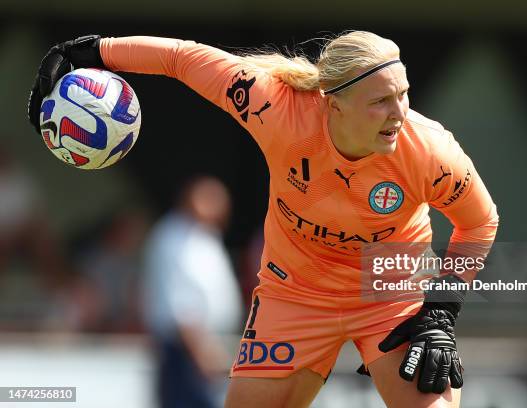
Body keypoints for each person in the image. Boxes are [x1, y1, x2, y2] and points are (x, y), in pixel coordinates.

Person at [27, 31, 499, 408]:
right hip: (295, 294)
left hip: (390, 291)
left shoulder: (431, 151)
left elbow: (479, 223)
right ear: (333, 104)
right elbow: (183, 59)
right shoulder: (274, 106)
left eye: (404, 95)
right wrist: (87, 50)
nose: (400, 114)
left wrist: (440, 311)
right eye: (380, 101)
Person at [140, 176, 243, 408]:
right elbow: (182, 306)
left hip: (209, 346)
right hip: (187, 351)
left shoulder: (203, 235)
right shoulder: (174, 237)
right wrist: (202, 352)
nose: (217, 205)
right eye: (208, 198)